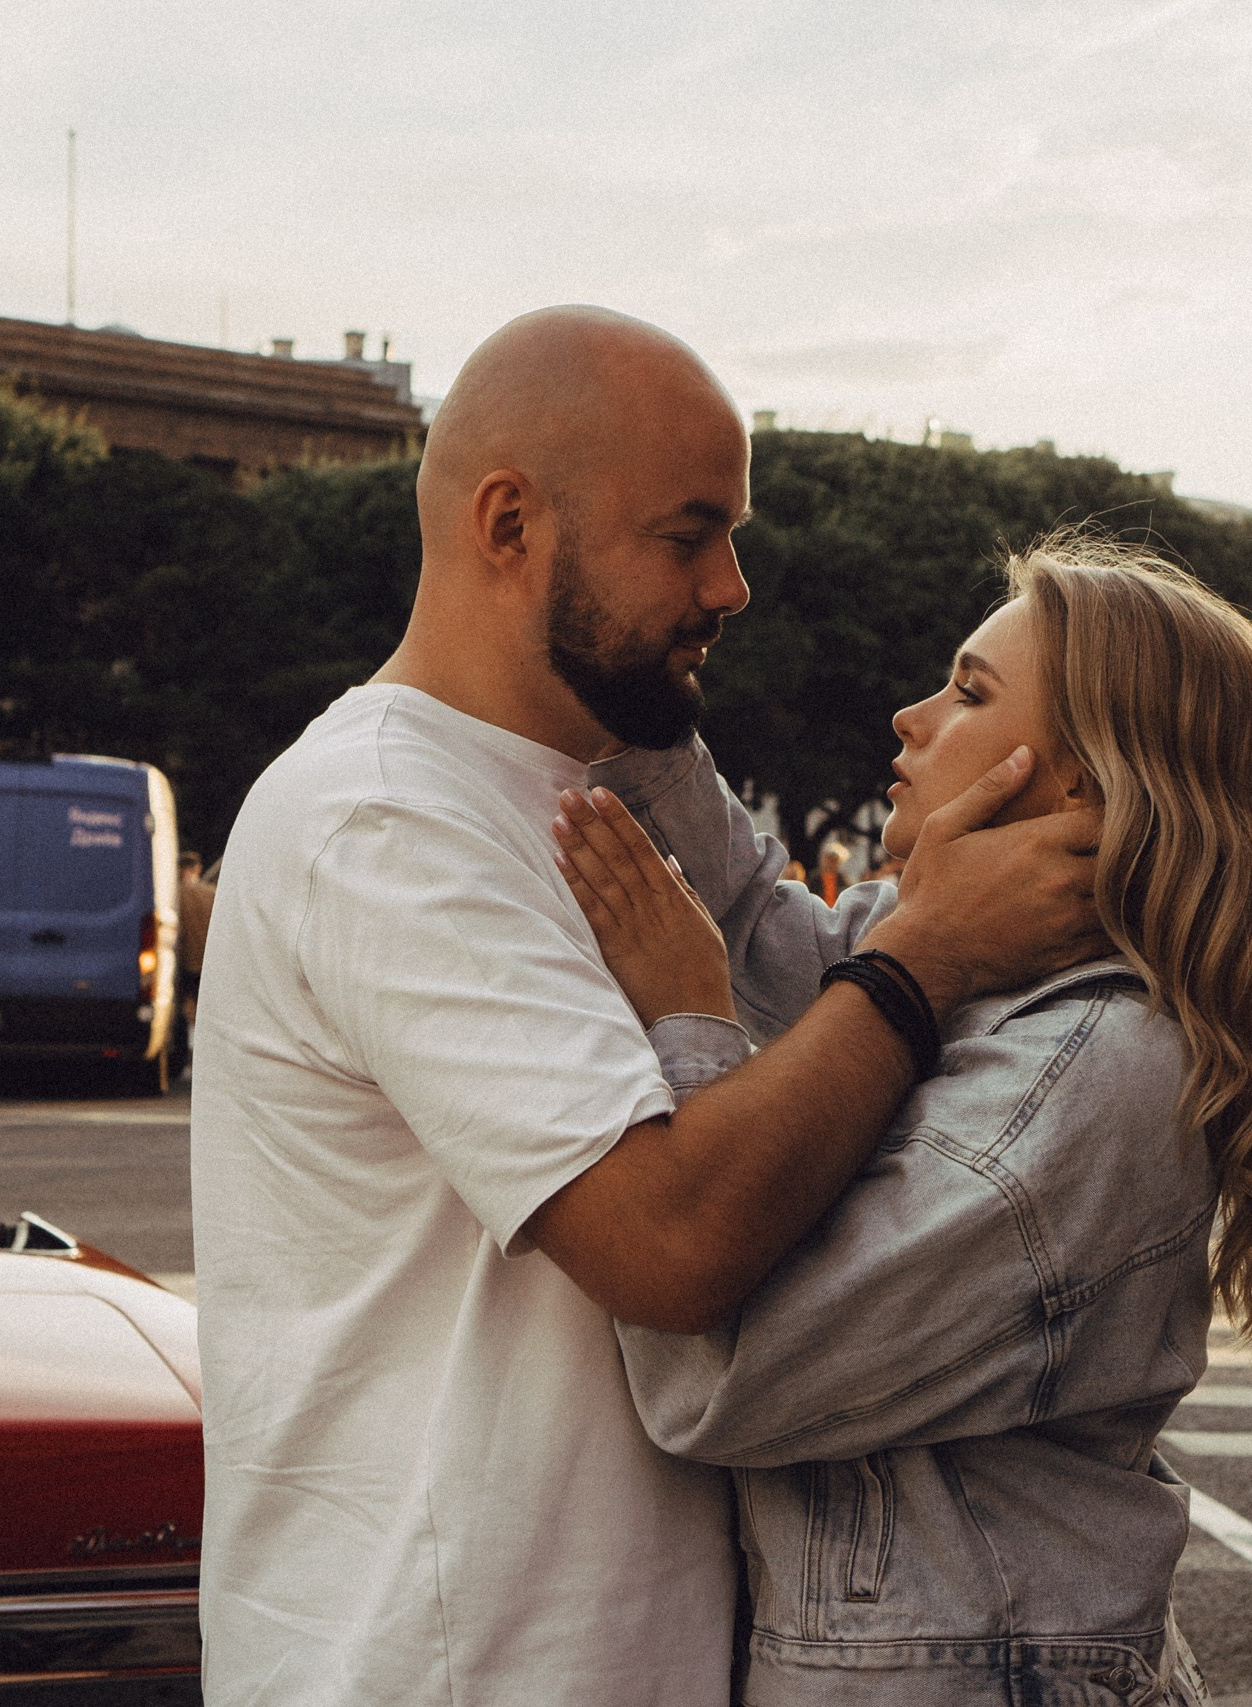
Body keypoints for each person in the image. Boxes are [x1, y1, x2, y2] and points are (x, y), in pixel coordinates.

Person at [188, 306, 1104, 1707]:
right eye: (688, 536)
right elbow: (670, 1241)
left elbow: (798, 997)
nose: (733, 585)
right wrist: (922, 961)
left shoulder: (612, 783)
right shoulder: (383, 815)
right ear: (510, 524)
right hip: (442, 1667)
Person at [553, 535, 1252, 1704]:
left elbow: (722, 1379)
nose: (909, 716)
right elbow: (778, 940)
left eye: (968, 693)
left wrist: (686, 1017)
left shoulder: (1088, 1072)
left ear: (1076, 783)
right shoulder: (986, 958)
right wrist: (637, 686)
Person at [176, 851, 216, 1025]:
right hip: (209, 962)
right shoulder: (212, 893)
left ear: (179, 869)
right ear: (198, 869)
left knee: (188, 1008)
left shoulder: (175, 895)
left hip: (185, 962)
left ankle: (190, 1044)